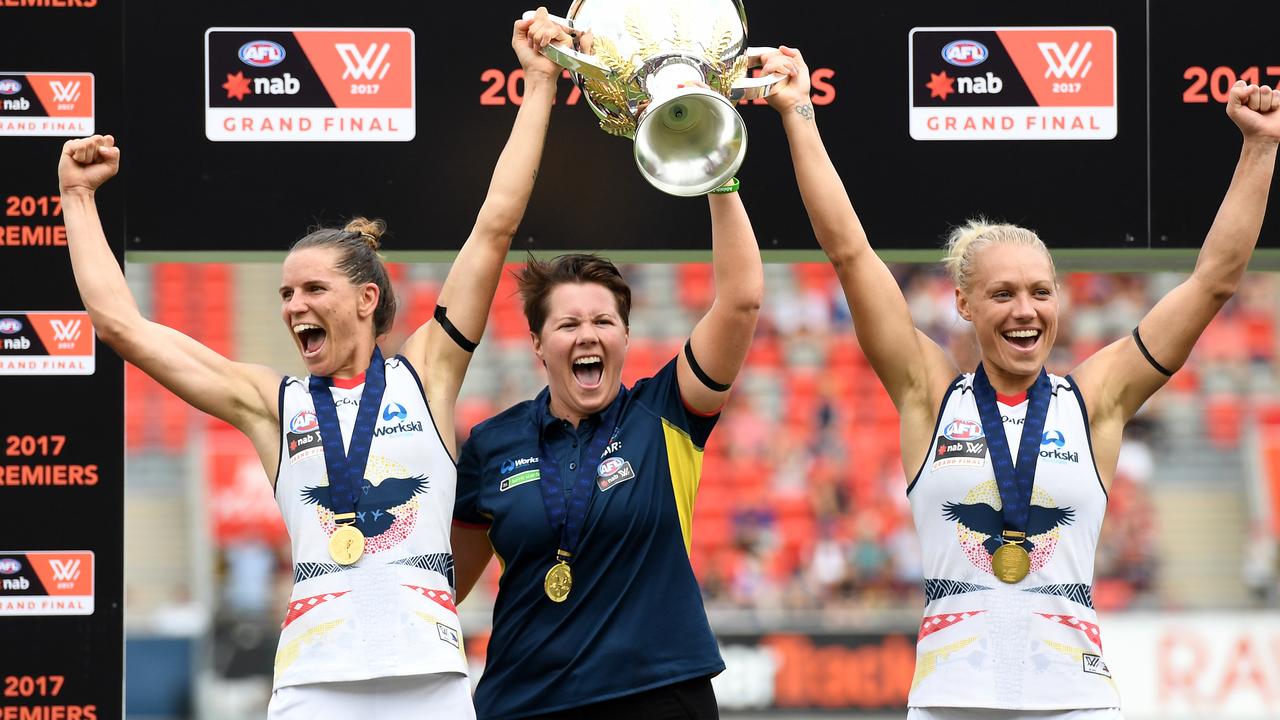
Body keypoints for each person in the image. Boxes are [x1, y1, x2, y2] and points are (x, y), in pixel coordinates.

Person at [57, 12, 564, 718]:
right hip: (312, 685)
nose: (294, 305)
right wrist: (77, 200)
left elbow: (495, 225)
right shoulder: (273, 401)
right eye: (286, 293)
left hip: (431, 681)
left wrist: (538, 81)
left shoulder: (429, 371)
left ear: (365, 298)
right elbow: (121, 326)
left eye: (312, 289)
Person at [761, 45, 1278, 719]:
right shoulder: (929, 394)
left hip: (1077, 704)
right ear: (964, 305)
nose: (1026, 310)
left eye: (1040, 291)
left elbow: (1213, 282)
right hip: (949, 703)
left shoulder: (1097, 398)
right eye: (1002, 294)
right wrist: (799, 111)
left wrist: (1261, 147)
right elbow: (849, 252)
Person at [450, 155, 763, 719]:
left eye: (603, 322)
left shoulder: (667, 410)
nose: (587, 335)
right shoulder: (491, 444)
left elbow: (740, 301)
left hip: (659, 696)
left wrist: (720, 175)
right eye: (568, 324)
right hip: (524, 701)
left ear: (625, 335)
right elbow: (443, 586)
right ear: (538, 345)